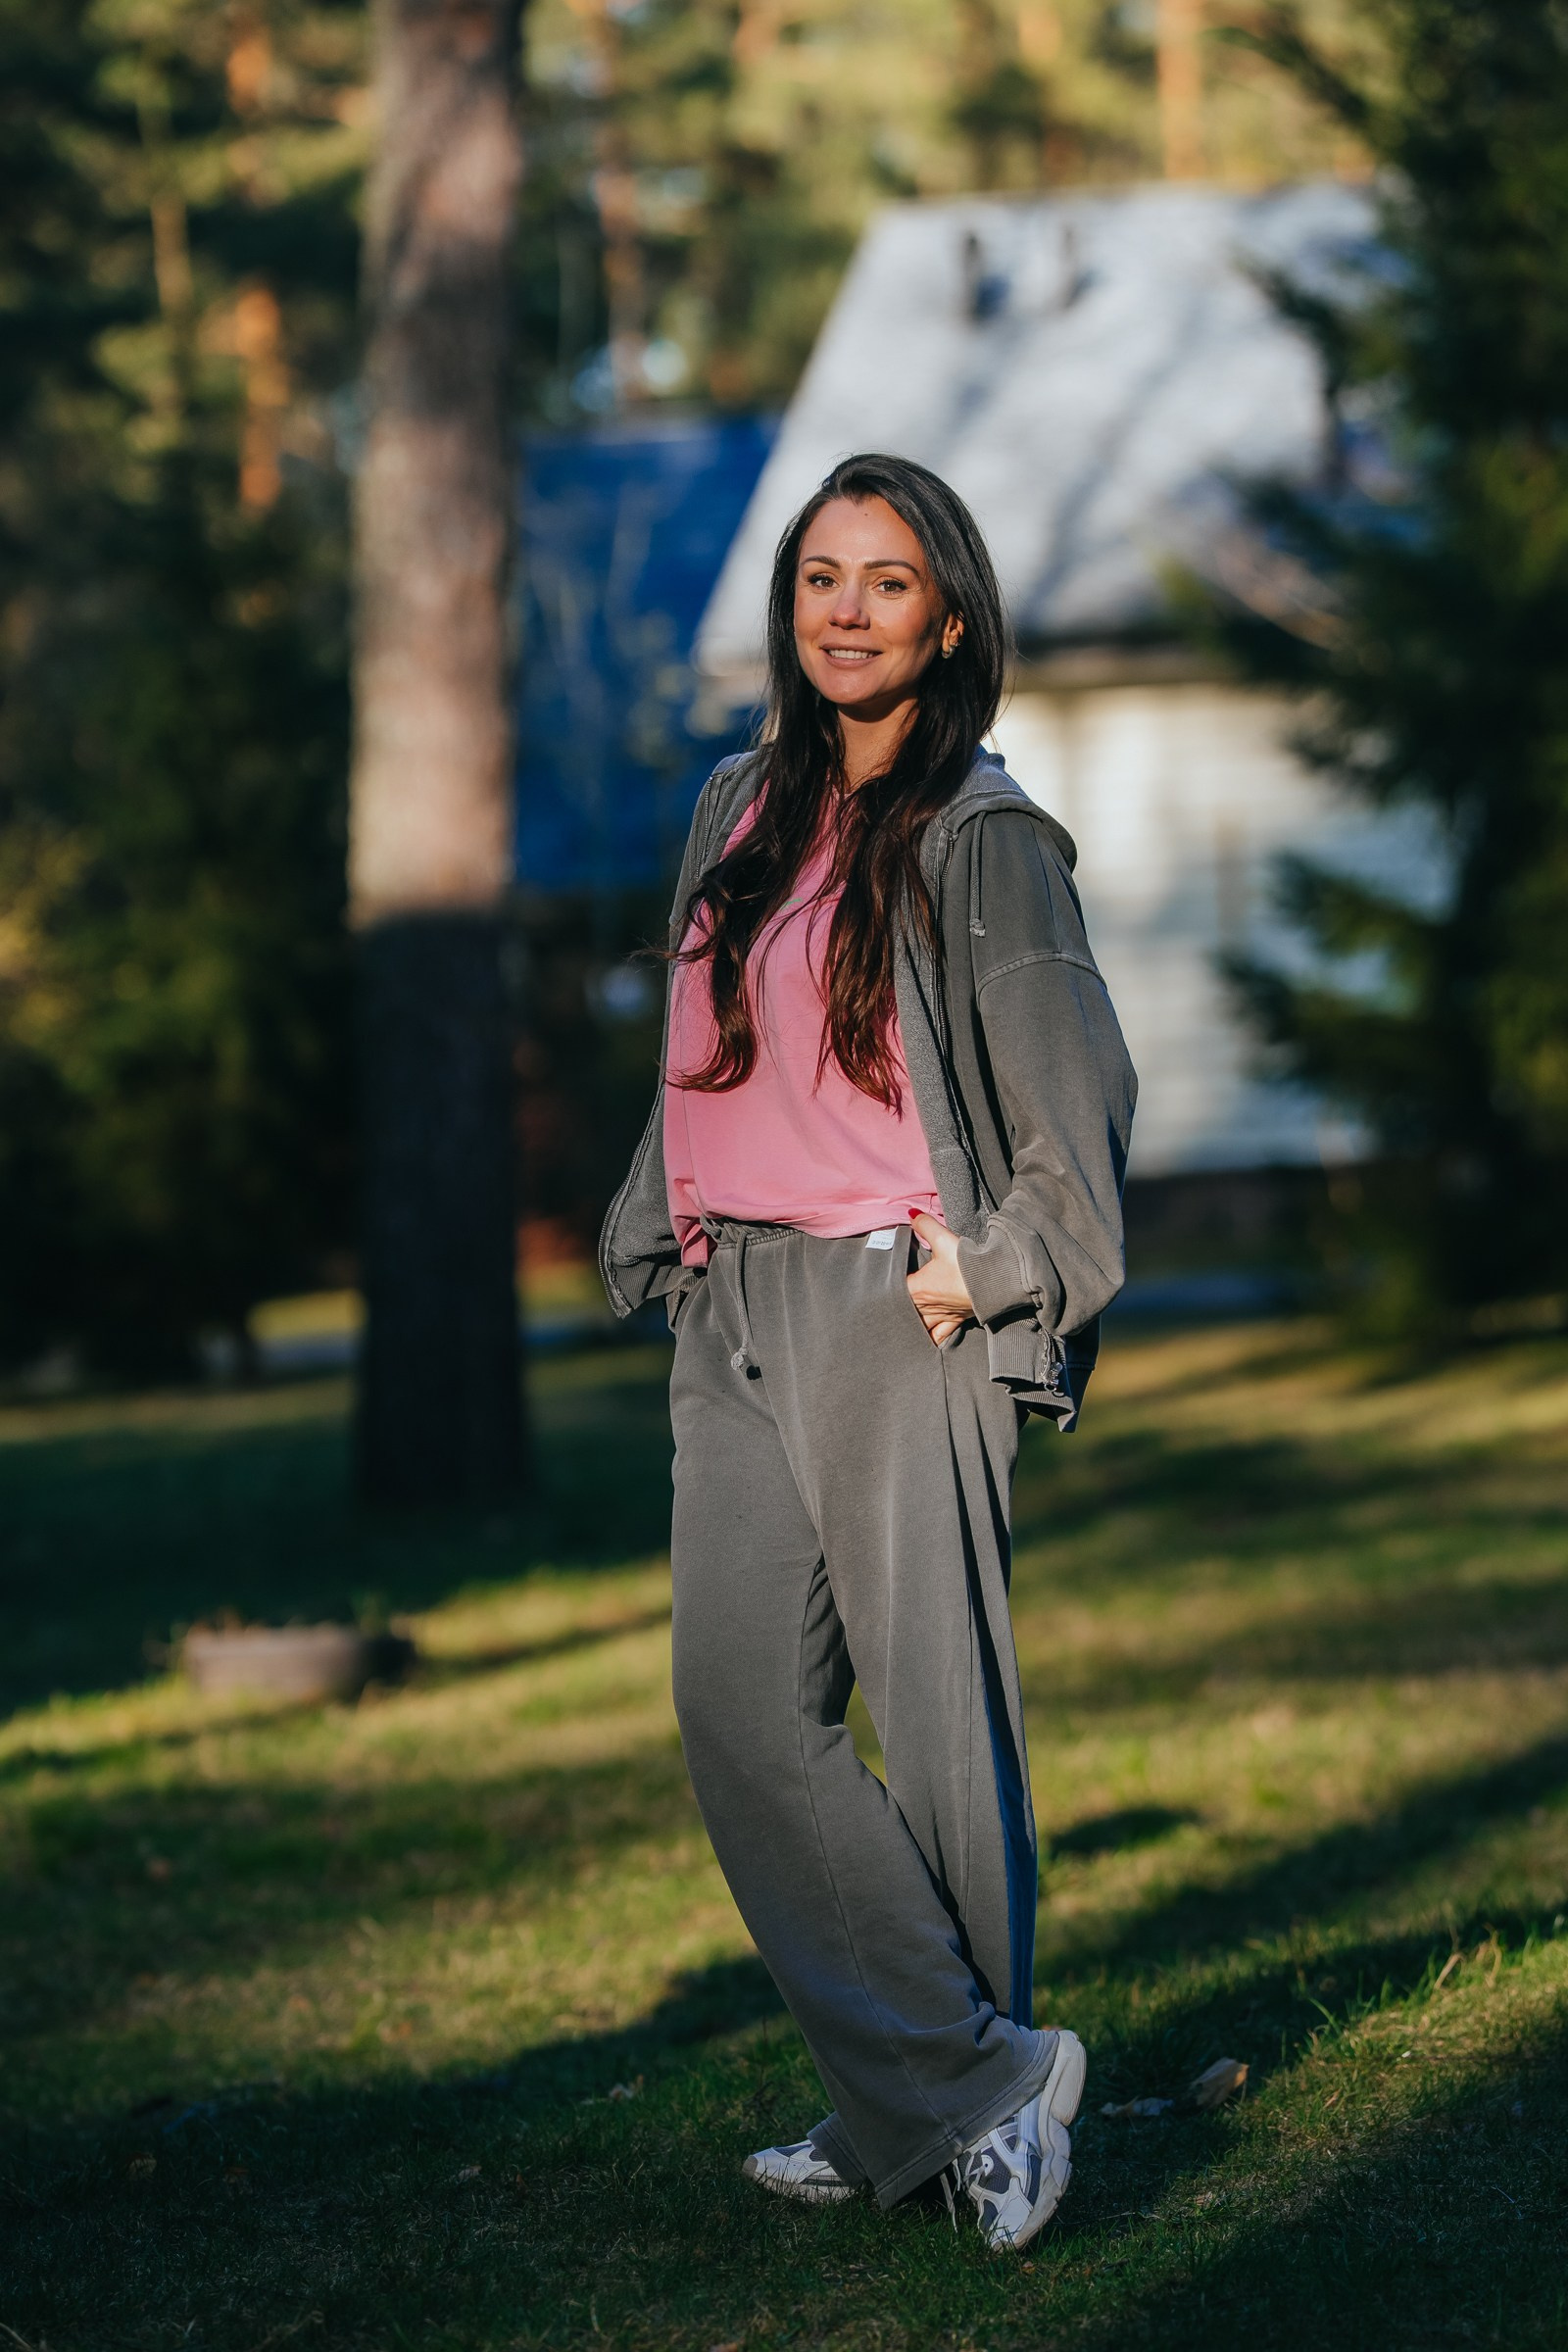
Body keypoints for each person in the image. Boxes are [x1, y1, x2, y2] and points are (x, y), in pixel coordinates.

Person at [599, 453, 1136, 2251]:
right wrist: (669, 1220)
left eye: (886, 581)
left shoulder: (985, 839)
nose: (846, 609)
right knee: (741, 1710)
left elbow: (1077, 1082)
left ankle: (963, 2111)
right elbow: (704, 1039)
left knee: (935, 1721)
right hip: (734, 1296)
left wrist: (1002, 1270)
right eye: (820, 576)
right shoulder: (735, 804)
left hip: (899, 1303)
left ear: (949, 618)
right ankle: (945, 2084)